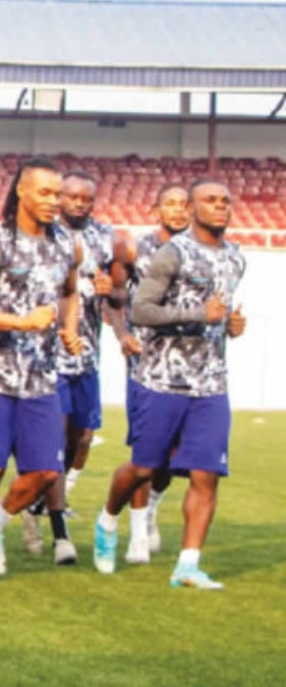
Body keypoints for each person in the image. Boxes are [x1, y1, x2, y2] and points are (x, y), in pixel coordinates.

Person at [94, 179, 245, 590]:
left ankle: (188, 566)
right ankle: (108, 518)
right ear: (192, 209)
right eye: (210, 200)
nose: (220, 206)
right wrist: (200, 315)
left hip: (211, 383)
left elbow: (219, 314)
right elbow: (141, 311)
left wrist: (231, 327)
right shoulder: (172, 253)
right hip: (160, 380)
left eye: (225, 201)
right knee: (144, 467)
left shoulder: (236, 256)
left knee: (206, 474)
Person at [0, 156, 81, 588]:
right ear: (22, 191)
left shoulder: (68, 244)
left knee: (46, 472)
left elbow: (70, 292)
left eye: (58, 194)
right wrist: (22, 323)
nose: (53, 201)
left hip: (43, 377)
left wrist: (70, 329)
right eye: (45, 193)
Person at [20, 172, 113, 563]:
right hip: (46, 356)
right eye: (70, 196)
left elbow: (118, 295)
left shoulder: (106, 237)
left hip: (86, 355)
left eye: (85, 198)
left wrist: (112, 291)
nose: (77, 203)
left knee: (82, 439)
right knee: (54, 443)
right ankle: (60, 533)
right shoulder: (43, 237)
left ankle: (35, 503)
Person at [106, 183, 190, 561]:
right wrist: (122, 334)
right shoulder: (135, 249)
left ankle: (152, 505)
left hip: (191, 366)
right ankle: (138, 533)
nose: (179, 210)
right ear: (156, 210)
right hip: (146, 362)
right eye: (170, 203)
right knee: (146, 450)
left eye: (184, 204)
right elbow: (114, 298)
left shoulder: (204, 253)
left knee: (174, 454)